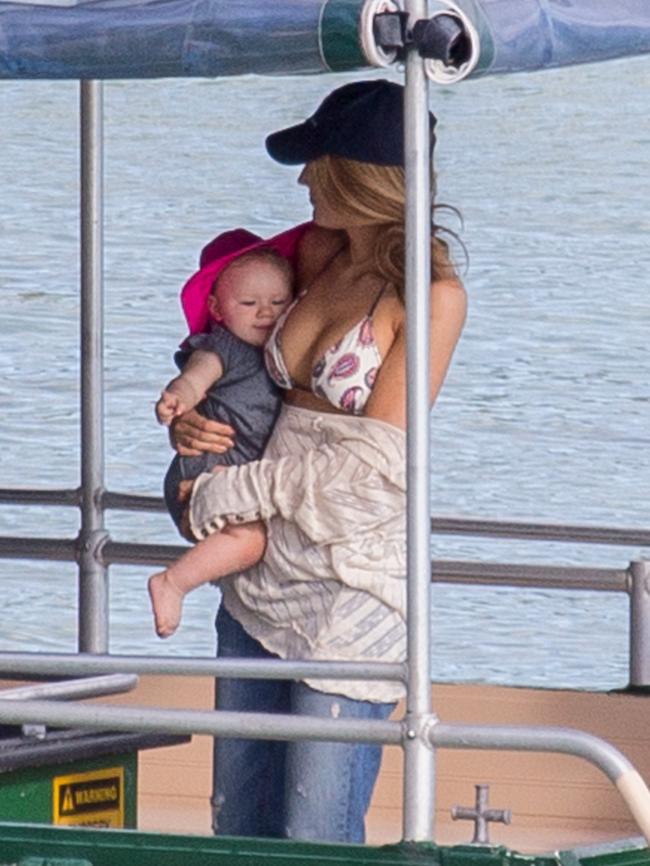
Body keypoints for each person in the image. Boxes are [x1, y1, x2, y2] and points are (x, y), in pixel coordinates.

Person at [169, 78, 467, 843]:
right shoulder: (313, 251)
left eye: (315, 164)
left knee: (315, 838)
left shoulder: (428, 295)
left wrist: (227, 494)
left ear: (358, 175)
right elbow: (231, 340)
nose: (302, 180)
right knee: (238, 827)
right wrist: (198, 422)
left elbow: (373, 473)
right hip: (257, 579)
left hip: (349, 589)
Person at [148, 243, 294, 638]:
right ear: (217, 309)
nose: (266, 312)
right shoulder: (223, 346)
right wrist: (178, 399)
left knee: (256, 539)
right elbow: (197, 376)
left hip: (241, 471)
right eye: (249, 303)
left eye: (278, 301)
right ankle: (174, 583)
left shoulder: (282, 352)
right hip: (205, 464)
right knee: (251, 539)